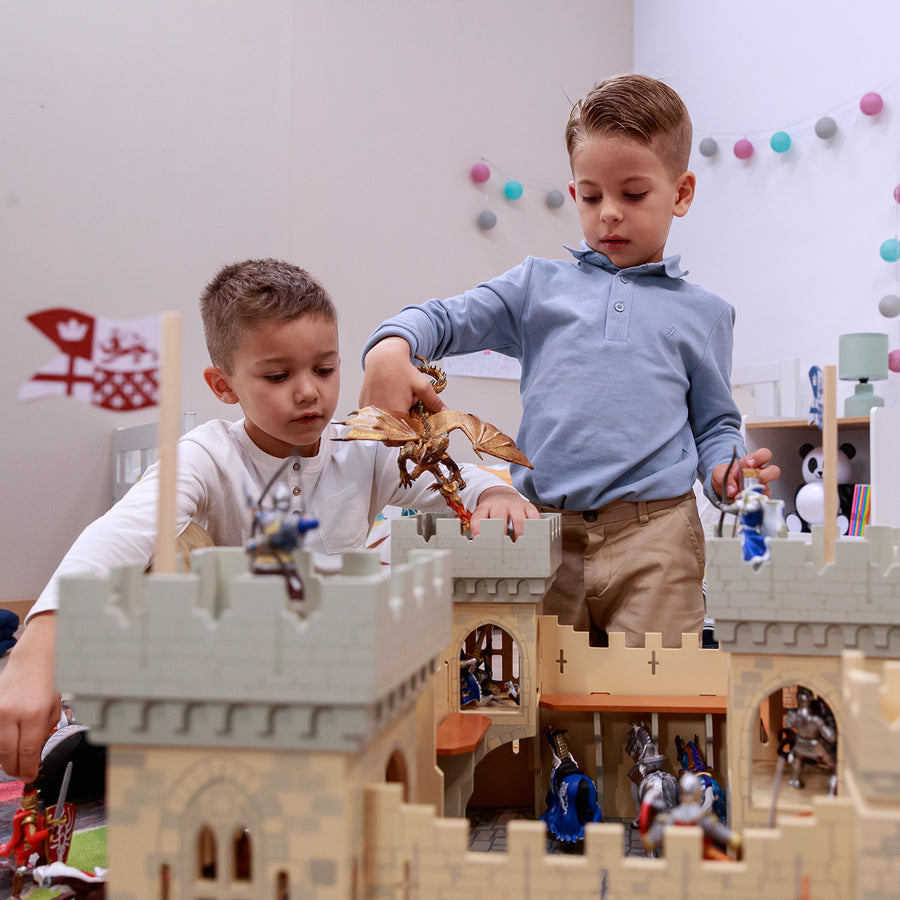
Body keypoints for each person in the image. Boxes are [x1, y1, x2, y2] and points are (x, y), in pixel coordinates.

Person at [0, 258, 534, 782]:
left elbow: (453, 477)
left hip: (335, 669)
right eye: (278, 375)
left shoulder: (363, 448)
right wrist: (39, 647)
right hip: (234, 670)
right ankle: (116, 729)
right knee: (167, 555)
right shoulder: (208, 455)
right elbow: (119, 533)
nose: (308, 391)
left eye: (325, 369)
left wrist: (494, 491)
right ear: (223, 386)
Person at [359, 74, 780, 649]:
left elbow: (715, 425)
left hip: (656, 537)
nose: (609, 214)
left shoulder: (706, 314)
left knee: (653, 690)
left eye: (633, 194)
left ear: (681, 193)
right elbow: (443, 319)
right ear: (574, 191)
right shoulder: (536, 286)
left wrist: (726, 471)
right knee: (540, 689)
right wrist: (391, 346)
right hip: (544, 533)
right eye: (591, 196)